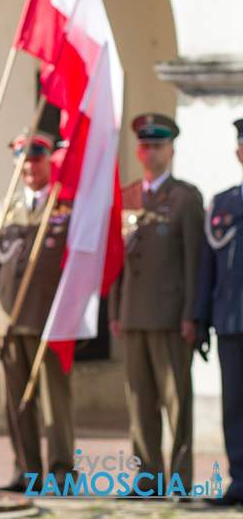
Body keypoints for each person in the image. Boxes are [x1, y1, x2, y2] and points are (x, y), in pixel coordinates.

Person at [109, 112, 203, 495]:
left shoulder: (185, 197)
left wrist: (190, 315)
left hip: (170, 317)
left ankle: (179, 481)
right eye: (146, 145)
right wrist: (115, 311)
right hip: (133, 316)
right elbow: (116, 261)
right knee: (139, 405)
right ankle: (147, 480)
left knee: (176, 405)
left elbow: (194, 262)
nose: (151, 152)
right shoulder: (128, 196)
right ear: (138, 149)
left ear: (171, 149)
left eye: (158, 145)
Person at [0, 130, 74, 493]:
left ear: (49, 160)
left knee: (54, 403)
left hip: (49, 320)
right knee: (15, 405)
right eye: (23, 160)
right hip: (9, 319)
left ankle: (63, 474)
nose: (30, 166)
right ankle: (26, 472)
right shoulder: (7, 207)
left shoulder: (65, 207)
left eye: (36, 158)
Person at [194, 117, 243, 506]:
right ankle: (239, 480)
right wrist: (199, 320)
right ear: (238, 152)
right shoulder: (222, 203)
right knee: (234, 405)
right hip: (228, 322)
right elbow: (206, 267)